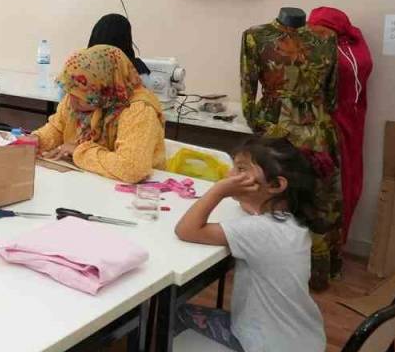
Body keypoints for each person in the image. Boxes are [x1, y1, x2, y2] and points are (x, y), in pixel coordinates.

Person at [173, 137, 327, 352]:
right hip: (302, 339)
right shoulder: (291, 222)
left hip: (264, 345)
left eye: (241, 169)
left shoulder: (259, 230)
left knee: (170, 316)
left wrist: (219, 190)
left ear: (276, 185)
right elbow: (252, 208)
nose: (230, 176)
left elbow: (186, 229)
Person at [32, 45, 164, 183]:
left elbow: (132, 168)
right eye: (70, 92)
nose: (72, 101)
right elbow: (58, 128)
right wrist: (37, 140)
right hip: (90, 182)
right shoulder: (77, 92)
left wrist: (79, 151)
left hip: (138, 194)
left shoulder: (139, 110)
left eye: (83, 95)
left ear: (105, 88)